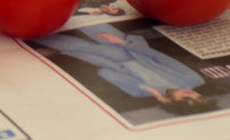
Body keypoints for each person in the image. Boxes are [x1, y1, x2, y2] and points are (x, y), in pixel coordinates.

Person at [33, 24, 218, 116]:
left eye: (186, 100)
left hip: (94, 55)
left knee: (38, 30)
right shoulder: (193, 80)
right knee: (87, 17)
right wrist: (123, 43)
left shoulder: (139, 93)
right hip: (126, 46)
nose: (190, 94)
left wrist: (147, 89)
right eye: (198, 97)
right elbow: (162, 58)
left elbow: (104, 73)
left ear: (173, 103)